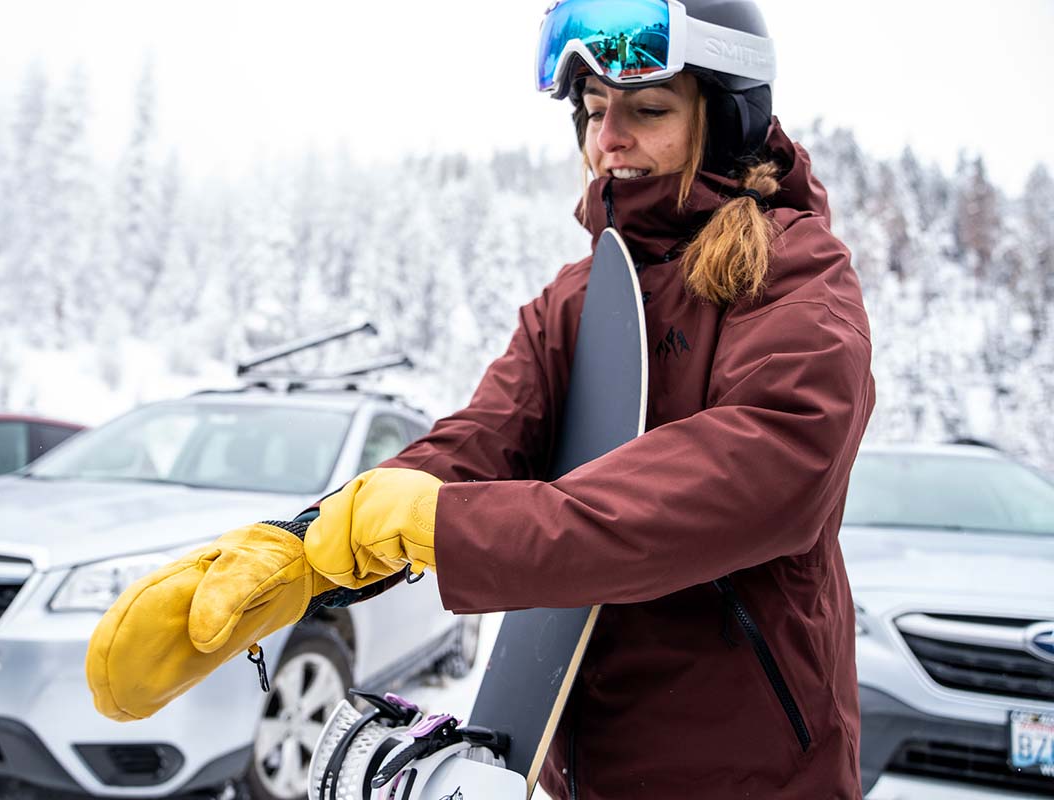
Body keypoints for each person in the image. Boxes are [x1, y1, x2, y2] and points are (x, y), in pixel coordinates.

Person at [86, 1, 874, 797]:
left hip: (759, 772)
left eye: (649, 109)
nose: (608, 140)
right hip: (584, 766)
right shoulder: (580, 299)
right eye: (595, 112)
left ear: (729, 119)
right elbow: (478, 441)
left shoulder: (797, 274)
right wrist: (307, 548)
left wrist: (455, 530)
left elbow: (764, 469)